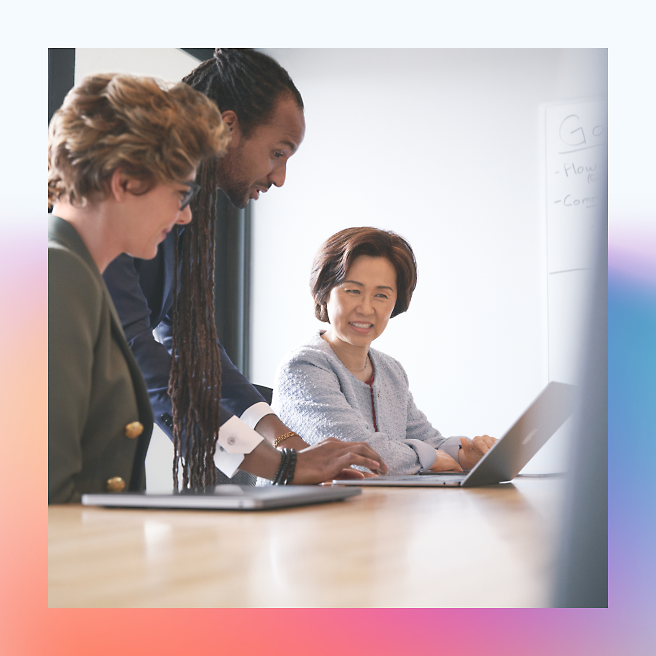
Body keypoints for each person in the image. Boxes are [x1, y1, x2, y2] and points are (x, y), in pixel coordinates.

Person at [102, 49, 388, 486]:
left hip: (115, 460)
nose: (280, 177)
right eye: (277, 152)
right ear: (228, 127)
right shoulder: (125, 205)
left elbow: (194, 345)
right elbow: (138, 355)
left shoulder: (184, 219)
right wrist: (281, 465)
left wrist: (284, 438)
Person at [48, 72, 229, 503]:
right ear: (125, 180)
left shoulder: (75, 271)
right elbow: (45, 500)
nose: (184, 216)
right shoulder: (57, 273)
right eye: (181, 194)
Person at [272, 227, 498, 476]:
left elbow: (427, 441)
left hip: (373, 508)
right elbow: (358, 455)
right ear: (324, 292)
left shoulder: (390, 370)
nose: (366, 308)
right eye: (353, 291)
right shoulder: (303, 366)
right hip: (311, 512)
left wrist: (466, 454)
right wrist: (429, 456)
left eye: (381, 295)